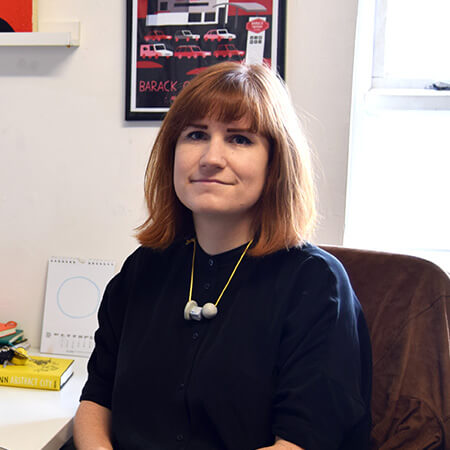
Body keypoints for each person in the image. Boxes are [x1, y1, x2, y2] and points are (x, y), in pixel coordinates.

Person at [73, 62, 372, 450]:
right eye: (196, 134)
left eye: (239, 139)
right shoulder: (144, 268)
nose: (211, 157)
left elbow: (302, 442)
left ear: (275, 163)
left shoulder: (316, 284)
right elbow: (96, 398)